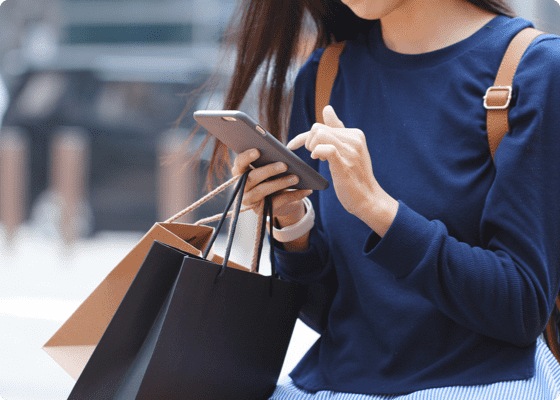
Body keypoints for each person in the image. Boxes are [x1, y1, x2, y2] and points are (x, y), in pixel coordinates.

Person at [193, 0, 560, 398]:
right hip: (332, 385)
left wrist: (377, 209)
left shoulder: (532, 68)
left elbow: (521, 308)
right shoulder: (324, 75)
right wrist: (291, 223)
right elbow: (333, 315)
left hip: (479, 384)